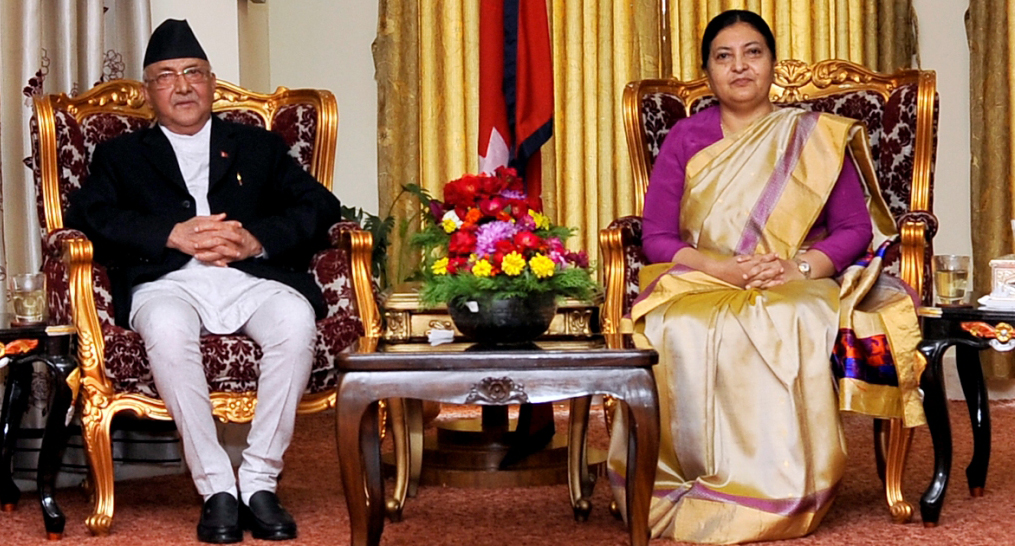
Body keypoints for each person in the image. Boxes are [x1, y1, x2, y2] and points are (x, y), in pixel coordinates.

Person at [606, 10, 925, 543]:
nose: (740, 67)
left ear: (773, 63)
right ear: (707, 71)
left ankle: (781, 489)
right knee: (675, 325)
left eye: (752, 53)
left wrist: (796, 267)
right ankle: (680, 479)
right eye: (724, 57)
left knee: (785, 316)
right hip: (705, 275)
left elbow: (853, 229)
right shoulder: (686, 136)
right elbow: (657, 237)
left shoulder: (813, 137)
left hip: (794, 275)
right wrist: (720, 267)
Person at [66, 19, 342, 544]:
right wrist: (170, 234)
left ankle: (259, 481)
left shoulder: (258, 146)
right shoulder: (121, 155)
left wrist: (255, 240)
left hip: (249, 276)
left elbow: (320, 206)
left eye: (193, 73)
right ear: (148, 91)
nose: (183, 86)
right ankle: (216, 486)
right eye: (167, 76)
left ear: (212, 83)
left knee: (294, 320)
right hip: (167, 282)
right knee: (167, 330)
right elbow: (89, 218)